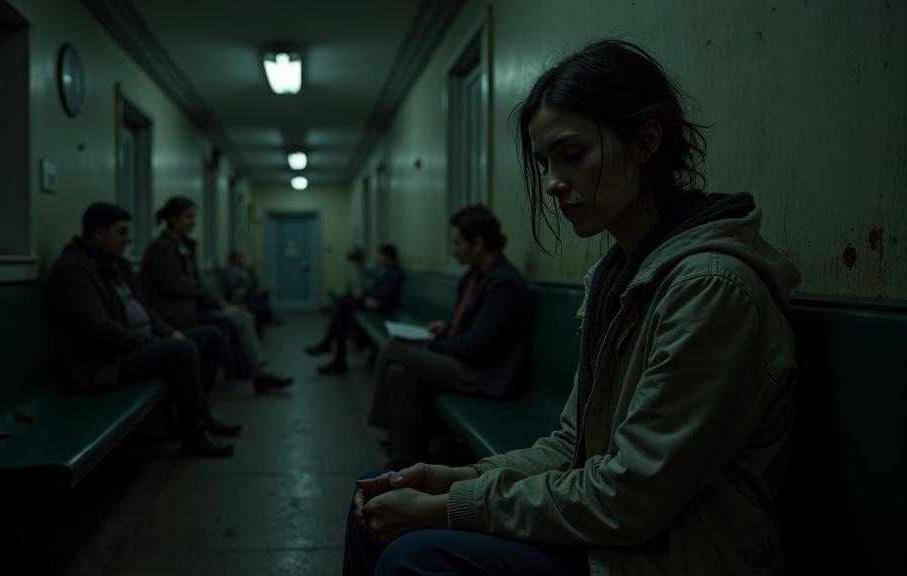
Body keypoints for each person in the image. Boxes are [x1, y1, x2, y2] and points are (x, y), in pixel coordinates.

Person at [343, 39, 802, 575]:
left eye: (574, 154)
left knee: (415, 556)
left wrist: (452, 508)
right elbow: (571, 446)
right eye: (545, 164)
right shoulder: (618, 279)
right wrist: (462, 478)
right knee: (371, 506)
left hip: (675, 551)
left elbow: (632, 496)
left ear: (646, 140)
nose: (554, 184)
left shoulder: (710, 288)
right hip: (617, 531)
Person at [45, 202, 236, 457]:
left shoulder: (116, 265)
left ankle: (201, 415)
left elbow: (146, 308)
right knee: (183, 351)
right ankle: (194, 434)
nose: (128, 239)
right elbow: (100, 330)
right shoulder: (73, 271)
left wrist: (168, 332)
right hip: (107, 361)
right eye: (121, 232)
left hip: (138, 344)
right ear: (98, 234)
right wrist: (151, 341)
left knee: (211, 336)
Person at [368, 205, 533, 470]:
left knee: (392, 349)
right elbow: (473, 329)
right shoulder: (475, 277)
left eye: (457, 243)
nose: (453, 250)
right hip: (468, 364)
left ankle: (384, 426)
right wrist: (443, 331)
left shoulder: (503, 283)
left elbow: (476, 346)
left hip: (486, 376)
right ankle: (406, 459)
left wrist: (432, 344)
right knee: (398, 373)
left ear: (477, 244)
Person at [139, 197, 293, 392]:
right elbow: (175, 287)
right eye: (188, 217)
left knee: (242, 315)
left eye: (193, 217)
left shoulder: (185, 246)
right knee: (239, 319)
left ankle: (258, 371)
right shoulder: (161, 248)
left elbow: (195, 284)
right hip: (176, 313)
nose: (193, 222)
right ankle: (258, 373)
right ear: (173, 219)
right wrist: (216, 302)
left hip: (193, 306)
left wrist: (220, 302)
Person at [306, 244, 403, 374]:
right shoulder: (383, 269)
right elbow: (373, 284)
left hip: (380, 305)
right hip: (371, 301)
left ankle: (330, 347)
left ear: (387, 256)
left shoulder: (394, 272)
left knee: (341, 306)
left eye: (380, 255)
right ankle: (334, 354)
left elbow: (387, 291)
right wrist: (363, 293)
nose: (377, 257)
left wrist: (374, 299)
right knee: (342, 315)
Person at [222, 248, 277, 337]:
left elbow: (253, 282)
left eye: (242, 257)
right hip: (238, 297)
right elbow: (232, 287)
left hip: (248, 293)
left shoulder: (243, 268)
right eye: (240, 257)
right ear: (234, 258)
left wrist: (250, 270)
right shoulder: (230, 270)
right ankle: (267, 321)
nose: (242, 259)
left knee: (264, 295)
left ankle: (268, 319)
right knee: (258, 308)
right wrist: (241, 289)